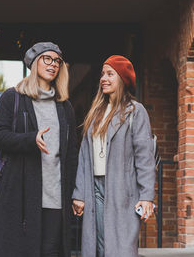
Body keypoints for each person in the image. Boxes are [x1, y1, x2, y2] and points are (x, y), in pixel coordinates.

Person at [0, 42, 78, 257]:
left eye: (57, 61)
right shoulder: (13, 98)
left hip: (56, 194)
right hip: (21, 192)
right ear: (34, 63)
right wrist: (30, 140)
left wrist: (76, 192)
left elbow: (72, 153)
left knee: (50, 251)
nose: (53, 64)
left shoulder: (65, 107)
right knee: (21, 251)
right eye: (47, 58)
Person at [72, 55, 155, 257]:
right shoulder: (95, 113)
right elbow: (84, 155)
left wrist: (147, 196)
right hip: (95, 189)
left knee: (121, 248)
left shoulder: (135, 111)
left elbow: (144, 156)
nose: (103, 79)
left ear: (123, 79)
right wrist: (79, 193)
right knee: (99, 247)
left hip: (122, 190)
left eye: (110, 74)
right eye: (102, 74)